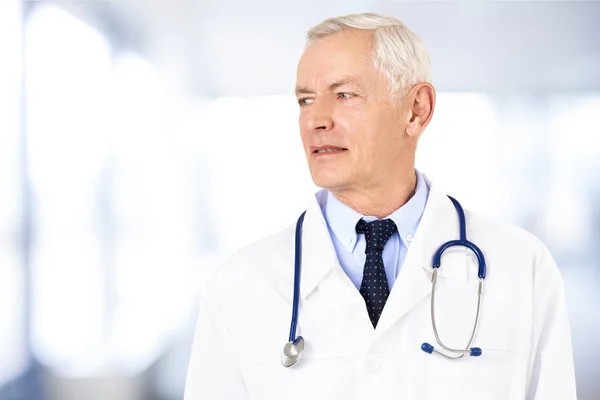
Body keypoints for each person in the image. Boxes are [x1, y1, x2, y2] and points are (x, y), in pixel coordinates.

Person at [184, 13, 577, 400]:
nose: (315, 120)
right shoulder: (239, 284)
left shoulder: (522, 267)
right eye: (305, 100)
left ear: (416, 109)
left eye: (344, 94)